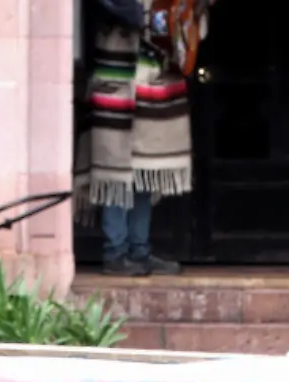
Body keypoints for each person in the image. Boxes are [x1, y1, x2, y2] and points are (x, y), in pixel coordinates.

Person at [75, 0, 199, 276]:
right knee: (115, 169)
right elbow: (130, 12)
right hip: (117, 75)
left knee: (144, 168)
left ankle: (138, 250)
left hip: (152, 76)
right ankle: (116, 252)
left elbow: (172, 20)